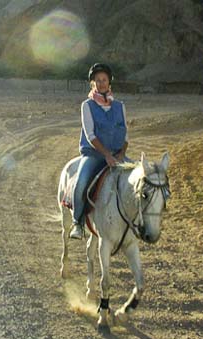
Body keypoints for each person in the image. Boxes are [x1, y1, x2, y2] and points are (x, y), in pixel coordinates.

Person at [70, 63, 129, 239]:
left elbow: (126, 135)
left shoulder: (120, 106)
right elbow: (90, 135)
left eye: (104, 80)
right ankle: (77, 222)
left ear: (109, 82)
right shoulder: (87, 106)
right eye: (98, 80)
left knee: (138, 179)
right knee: (81, 182)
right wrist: (106, 155)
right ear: (93, 84)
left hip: (118, 154)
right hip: (95, 154)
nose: (101, 83)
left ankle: (136, 222)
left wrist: (120, 154)